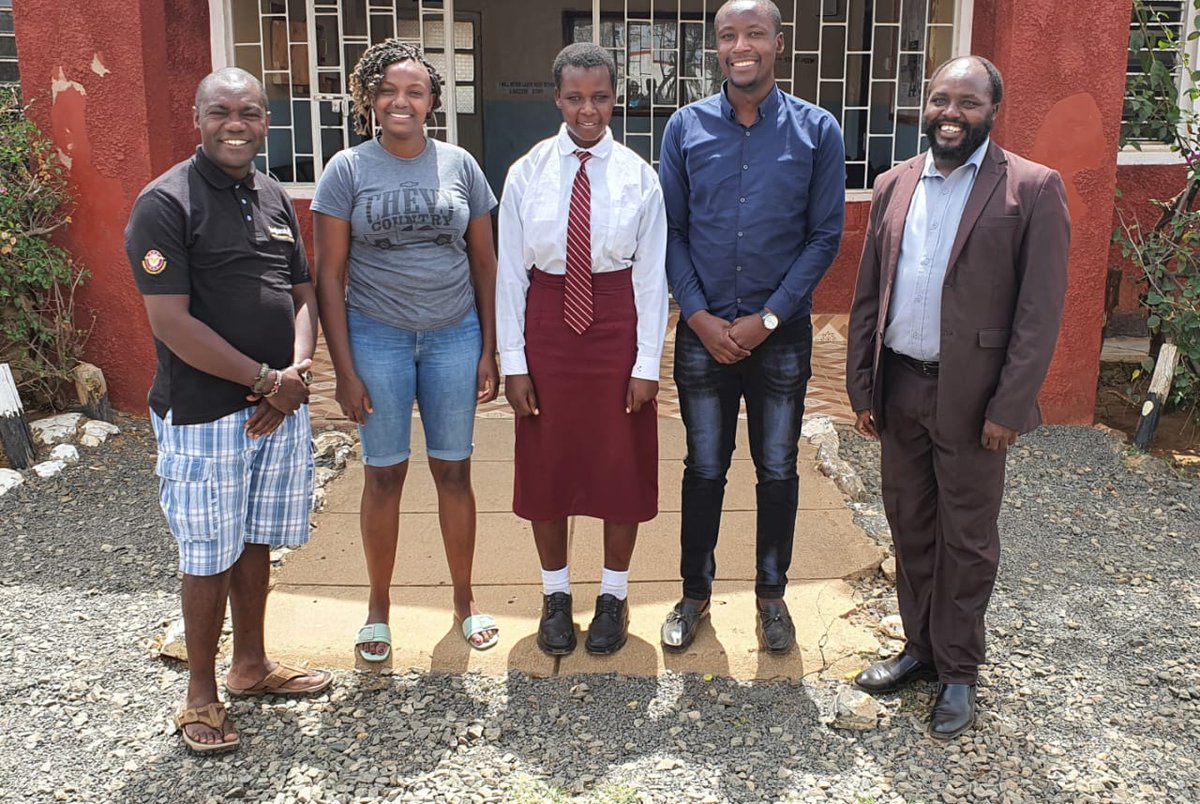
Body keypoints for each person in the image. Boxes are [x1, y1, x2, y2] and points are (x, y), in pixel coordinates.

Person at [845, 56, 1069, 739]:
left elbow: (1039, 310)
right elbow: (868, 295)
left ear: (992, 110)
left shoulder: (1031, 188)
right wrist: (863, 384)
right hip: (901, 385)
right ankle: (919, 649)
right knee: (911, 526)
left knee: (967, 539)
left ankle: (960, 671)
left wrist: (1010, 405)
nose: (950, 112)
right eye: (941, 99)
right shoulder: (893, 184)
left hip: (974, 401)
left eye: (967, 102)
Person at [126, 67, 333, 754]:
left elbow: (301, 293)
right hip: (205, 411)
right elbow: (170, 322)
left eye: (250, 112)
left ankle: (251, 666)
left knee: (254, 541)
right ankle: (201, 697)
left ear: (267, 122)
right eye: (222, 112)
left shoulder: (272, 196)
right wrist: (265, 378)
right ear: (198, 118)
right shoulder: (165, 202)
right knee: (207, 552)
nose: (236, 124)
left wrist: (297, 374)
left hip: (277, 405)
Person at [657, 0, 845, 654]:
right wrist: (699, 316)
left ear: (778, 44)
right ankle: (694, 594)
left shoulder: (818, 131)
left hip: (781, 336)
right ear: (718, 47)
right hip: (702, 336)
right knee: (704, 466)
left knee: (776, 468)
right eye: (729, 35)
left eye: (755, 34)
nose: (743, 45)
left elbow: (824, 238)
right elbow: (672, 231)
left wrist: (767, 319)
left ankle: (771, 597)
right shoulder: (684, 128)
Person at [311, 40, 500, 659]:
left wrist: (489, 349)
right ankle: (378, 608)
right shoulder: (347, 170)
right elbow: (329, 278)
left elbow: (485, 263)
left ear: (432, 102)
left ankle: (466, 602)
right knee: (385, 474)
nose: (401, 101)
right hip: (376, 336)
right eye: (388, 91)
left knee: (454, 469)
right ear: (369, 99)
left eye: (414, 91)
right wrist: (342, 369)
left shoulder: (461, 165)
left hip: (453, 334)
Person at [497, 43, 668, 656]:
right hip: (547, 327)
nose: (587, 110)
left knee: (620, 463)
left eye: (599, 97)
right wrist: (513, 361)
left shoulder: (638, 176)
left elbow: (651, 279)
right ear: (557, 99)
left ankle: (615, 596)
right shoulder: (527, 171)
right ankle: (556, 594)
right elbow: (510, 277)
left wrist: (647, 363)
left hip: (616, 326)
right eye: (574, 98)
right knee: (548, 463)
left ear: (615, 98)